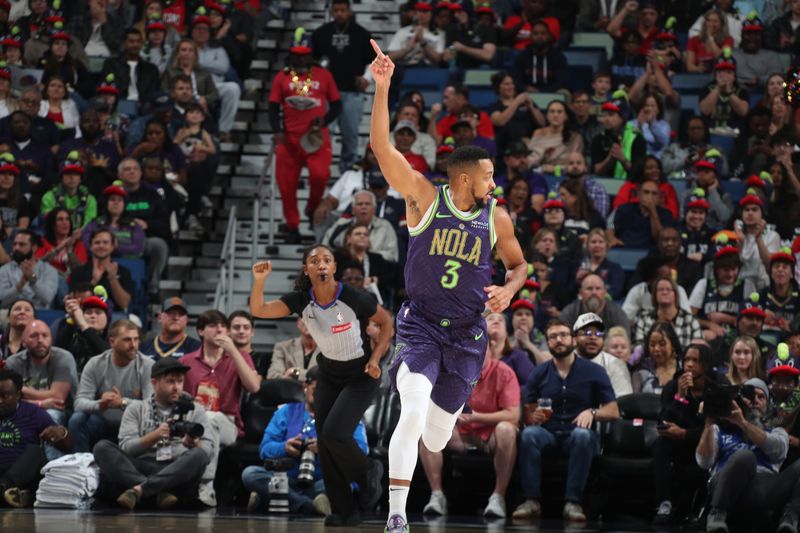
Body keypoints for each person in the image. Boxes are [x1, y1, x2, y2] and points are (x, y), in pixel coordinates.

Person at [368, 39, 528, 533]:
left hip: (466, 336)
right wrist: (383, 87)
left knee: (436, 436)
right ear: (463, 180)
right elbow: (382, 148)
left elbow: (520, 266)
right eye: (488, 175)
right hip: (419, 327)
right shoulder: (423, 197)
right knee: (411, 411)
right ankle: (397, 515)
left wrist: (510, 290)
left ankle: (434, 433)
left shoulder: (496, 218)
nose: (494, 182)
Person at [249, 245, 393, 526]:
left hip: (361, 374)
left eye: (327, 260)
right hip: (328, 374)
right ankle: (345, 510)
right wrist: (259, 282)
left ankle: (368, 470)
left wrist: (376, 358)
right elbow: (259, 310)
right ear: (307, 270)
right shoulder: (302, 300)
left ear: (334, 268)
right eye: (315, 261)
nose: (322, 264)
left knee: (335, 433)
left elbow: (387, 322)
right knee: (325, 443)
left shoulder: (353, 297)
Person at [513, 318, 620, 521]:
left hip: (578, 435)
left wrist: (593, 412)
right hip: (548, 434)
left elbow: (613, 411)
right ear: (548, 342)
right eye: (553, 337)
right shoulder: (539, 372)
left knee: (582, 436)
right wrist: (533, 416)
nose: (558, 340)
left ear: (573, 340)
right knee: (529, 434)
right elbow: (528, 412)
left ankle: (573, 502)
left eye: (563, 335)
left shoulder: (594, 371)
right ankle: (531, 500)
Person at [242, 366, 368, 516]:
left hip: (324, 479)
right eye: (316, 390)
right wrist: (285, 447)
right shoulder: (286, 412)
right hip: (287, 478)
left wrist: (326, 448)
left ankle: (273, 497)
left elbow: (361, 451)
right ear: (305, 387)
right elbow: (264, 449)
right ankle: (308, 506)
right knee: (250, 473)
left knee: (345, 484)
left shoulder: (346, 415)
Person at [92, 357, 212, 510]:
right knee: (102, 448)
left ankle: (140, 490)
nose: (176, 387)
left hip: (176, 469)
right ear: (154, 383)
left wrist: (195, 444)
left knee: (198, 455)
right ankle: (158, 492)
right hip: (141, 466)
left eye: (180, 381)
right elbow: (126, 447)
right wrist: (154, 436)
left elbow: (208, 452)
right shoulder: (136, 408)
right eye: (170, 381)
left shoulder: (195, 409)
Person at [420, 345, 520, 518]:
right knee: (428, 430)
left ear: (491, 351)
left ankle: (498, 497)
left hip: (491, 435)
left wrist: (476, 417)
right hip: (461, 432)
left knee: (507, 429)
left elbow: (513, 415)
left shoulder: (504, 373)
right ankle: (437, 495)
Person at [179, 309, 262, 507]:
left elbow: (254, 387)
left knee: (212, 419)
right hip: (193, 422)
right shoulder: (186, 361)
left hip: (228, 422)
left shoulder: (240, 357)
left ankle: (206, 487)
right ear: (200, 331)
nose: (219, 330)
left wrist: (233, 352)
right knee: (207, 426)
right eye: (213, 326)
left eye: (223, 326)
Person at [697, 377, 800, 533]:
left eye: (761, 397)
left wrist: (742, 423)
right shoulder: (720, 430)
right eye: (750, 396)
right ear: (738, 400)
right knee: (745, 456)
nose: (755, 401)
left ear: (768, 404)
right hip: (725, 486)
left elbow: (777, 451)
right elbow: (704, 462)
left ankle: (790, 518)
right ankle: (717, 512)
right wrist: (709, 421)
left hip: (765, 488)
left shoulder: (777, 431)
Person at [267, 29, 341, 244]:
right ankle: (292, 226)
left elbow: (337, 105)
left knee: (320, 176)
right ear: (291, 54)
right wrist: (277, 131)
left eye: (304, 54)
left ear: (311, 54)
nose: (301, 58)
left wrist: (325, 121)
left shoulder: (324, 75)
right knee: (286, 185)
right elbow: (272, 108)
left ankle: (311, 208)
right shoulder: (282, 77)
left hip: (316, 138)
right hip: (289, 140)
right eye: (297, 54)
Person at [70, 319, 155, 453]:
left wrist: (122, 402)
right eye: (127, 340)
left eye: (136, 339)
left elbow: (151, 407)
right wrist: (101, 404)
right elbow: (79, 403)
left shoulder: (147, 365)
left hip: (134, 425)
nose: (133, 345)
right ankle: (81, 466)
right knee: (77, 419)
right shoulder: (95, 364)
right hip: (102, 423)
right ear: (112, 342)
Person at [652, 343, 713, 524]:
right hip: (679, 447)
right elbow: (663, 423)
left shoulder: (715, 388)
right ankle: (665, 503)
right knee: (660, 444)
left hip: (706, 445)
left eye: (695, 360)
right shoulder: (673, 387)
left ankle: (711, 507)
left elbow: (716, 428)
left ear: (706, 365)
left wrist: (686, 433)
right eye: (686, 359)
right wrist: (680, 397)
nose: (689, 365)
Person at [311, 0, 374, 174]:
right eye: (336, 10)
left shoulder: (361, 33)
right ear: (332, 11)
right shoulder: (321, 33)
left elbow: (373, 60)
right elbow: (312, 62)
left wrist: (367, 78)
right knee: (324, 135)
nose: (339, 13)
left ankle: (348, 173)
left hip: (352, 92)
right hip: (326, 95)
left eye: (343, 10)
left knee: (350, 136)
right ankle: (321, 169)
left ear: (349, 11)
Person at [0, 368, 73, 508]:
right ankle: (12, 494)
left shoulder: (32, 413)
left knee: (35, 451)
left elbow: (68, 445)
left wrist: (61, 433)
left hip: (21, 471)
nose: (0, 401)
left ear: (18, 395)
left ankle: (6, 487)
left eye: (5, 396)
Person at [6, 319, 76, 430]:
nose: (40, 340)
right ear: (24, 342)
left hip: (60, 412)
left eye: (45, 335)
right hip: (23, 410)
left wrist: (22, 390)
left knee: (50, 415)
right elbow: (9, 401)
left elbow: (57, 397)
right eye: (33, 336)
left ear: (51, 339)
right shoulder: (13, 362)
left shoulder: (63, 357)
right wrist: (40, 404)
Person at [70, 229, 133, 312]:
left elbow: (124, 304)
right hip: (85, 314)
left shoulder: (123, 272)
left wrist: (112, 278)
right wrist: (94, 282)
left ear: (112, 246)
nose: (101, 246)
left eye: (105, 242)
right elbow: (75, 301)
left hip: (114, 316)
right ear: (91, 246)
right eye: (97, 242)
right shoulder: (78, 272)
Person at [633, 276, 703, 349]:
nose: (665, 292)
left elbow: (698, 350)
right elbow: (638, 347)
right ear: (655, 295)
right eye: (661, 290)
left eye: (668, 289)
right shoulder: (643, 318)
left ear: (675, 294)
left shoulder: (690, 320)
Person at [573, 313, 633, 397]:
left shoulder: (615, 364)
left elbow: (624, 401)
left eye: (598, 334)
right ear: (574, 338)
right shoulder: (564, 362)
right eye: (588, 333)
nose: (593, 337)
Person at [101, 28, 160, 111]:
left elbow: (153, 93)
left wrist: (143, 104)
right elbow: (107, 87)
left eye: (138, 41)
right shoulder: (111, 64)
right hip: (119, 105)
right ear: (124, 43)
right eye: (131, 41)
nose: (135, 44)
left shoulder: (151, 69)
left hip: (143, 108)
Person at [607, 178, 676, 249]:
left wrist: (653, 211)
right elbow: (610, 224)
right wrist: (611, 237)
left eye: (654, 193)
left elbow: (659, 238)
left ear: (659, 198)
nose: (650, 196)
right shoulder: (624, 209)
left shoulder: (666, 214)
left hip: (650, 254)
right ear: (639, 195)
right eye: (646, 192)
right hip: (624, 250)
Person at [591, 92, 646, 179]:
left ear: (622, 117)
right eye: (605, 114)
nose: (606, 118)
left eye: (611, 115)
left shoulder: (637, 138)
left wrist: (622, 159)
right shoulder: (598, 139)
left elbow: (639, 173)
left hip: (629, 187)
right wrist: (609, 160)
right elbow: (595, 171)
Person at [54, 289, 110, 372]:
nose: (93, 316)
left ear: (107, 318)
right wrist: (72, 320)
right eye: (88, 312)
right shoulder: (73, 333)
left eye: (98, 312)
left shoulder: (113, 336)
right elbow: (57, 355)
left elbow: (107, 355)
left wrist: (83, 325)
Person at [0, 230, 58, 309]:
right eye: (14, 244)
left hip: (39, 314)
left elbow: (47, 298)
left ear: (34, 247)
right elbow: (2, 300)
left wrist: (32, 278)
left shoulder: (48, 270)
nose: (16, 248)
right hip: (10, 313)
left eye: (22, 244)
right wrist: (19, 286)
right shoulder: (5, 270)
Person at [561, 273, 631, 337]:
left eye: (598, 288)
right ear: (580, 293)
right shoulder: (569, 313)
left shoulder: (617, 314)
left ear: (605, 292)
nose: (594, 292)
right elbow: (563, 339)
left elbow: (623, 340)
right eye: (589, 289)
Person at [510, 20, 568, 94]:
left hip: (552, 93)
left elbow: (562, 81)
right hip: (526, 94)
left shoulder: (558, 57)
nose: (539, 36)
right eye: (536, 33)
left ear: (549, 36)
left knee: (564, 92)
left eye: (543, 33)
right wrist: (525, 88)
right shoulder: (522, 57)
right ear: (530, 36)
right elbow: (515, 79)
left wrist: (543, 91)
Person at [526, 101, 583, 175]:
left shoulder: (575, 138)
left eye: (559, 112)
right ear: (547, 116)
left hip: (565, 176)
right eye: (552, 112)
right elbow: (528, 162)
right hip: (540, 174)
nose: (555, 115)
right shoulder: (538, 133)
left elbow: (577, 165)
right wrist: (543, 154)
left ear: (566, 116)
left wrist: (556, 169)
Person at [632, 321, 682, 394]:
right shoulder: (642, 368)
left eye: (662, 344)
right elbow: (635, 399)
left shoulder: (683, 366)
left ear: (673, 345)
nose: (656, 349)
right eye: (652, 345)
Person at [576, 228, 625, 300]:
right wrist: (577, 281)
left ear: (607, 246)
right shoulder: (578, 266)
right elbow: (569, 294)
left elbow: (615, 292)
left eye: (601, 242)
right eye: (593, 242)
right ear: (587, 246)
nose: (597, 245)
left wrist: (595, 297)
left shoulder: (615, 268)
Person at [685, 8, 734, 73]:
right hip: (699, 75)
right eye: (708, 20)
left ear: (722, 24)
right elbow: (689, 66)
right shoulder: (693, 40)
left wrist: (710, 37)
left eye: (715, 21)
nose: (711, 24)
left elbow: (721, 58)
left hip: (719, 74)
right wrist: (697, 68)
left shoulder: (728, 40)